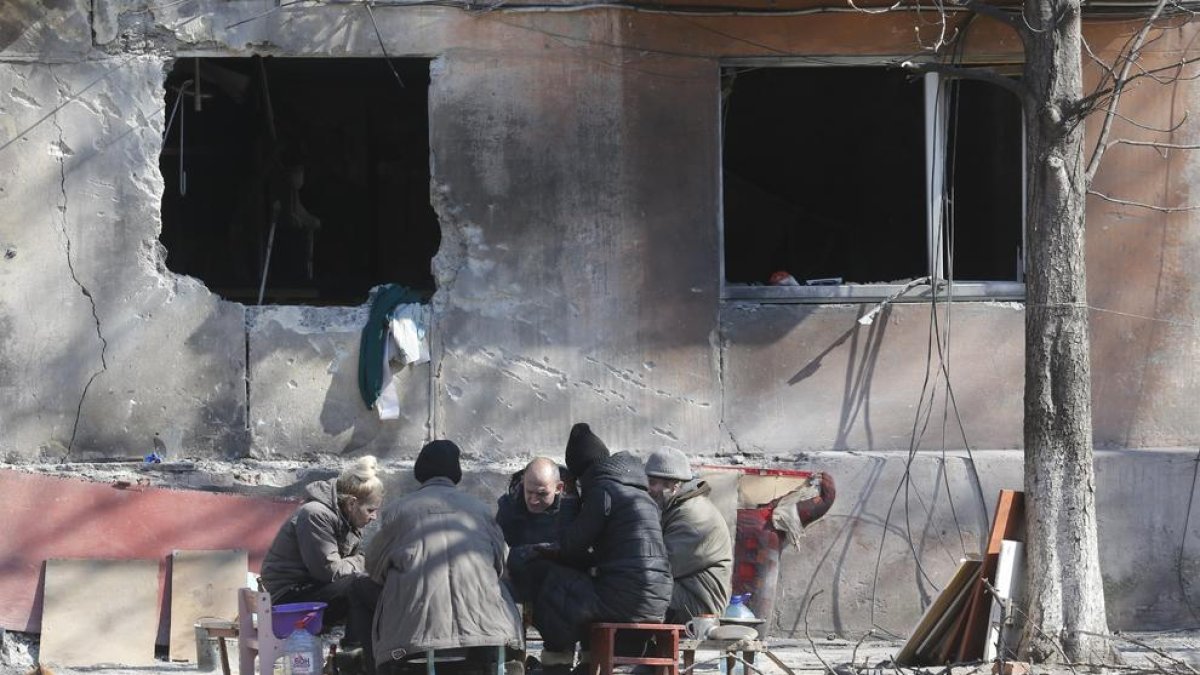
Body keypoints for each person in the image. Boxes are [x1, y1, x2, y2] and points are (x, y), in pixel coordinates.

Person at [366, 440, 523, 675]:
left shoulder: (397, 512)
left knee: (362, 591)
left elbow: (373, 567)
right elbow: (501, 562)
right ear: (456, 472)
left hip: (414, 636)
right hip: (488, 629)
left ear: (420, 470)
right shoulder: (480, 509)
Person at [525, 423, 672, 675]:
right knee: (582, 591)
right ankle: (587, 664)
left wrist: (570, 498)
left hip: (627, 598)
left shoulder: (603, 491)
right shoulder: (640, 494)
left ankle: (556, 665)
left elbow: (571, 546)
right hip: (658, 599)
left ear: (580, 473)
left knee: (557, 585)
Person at [260, 455, 383, 628]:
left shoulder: (348, 518)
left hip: (311, 589)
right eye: (370, 510)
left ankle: (360, 643)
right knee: (361, 586)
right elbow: (330, 572)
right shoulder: (315, 514)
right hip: (288, 599)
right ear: (351, 503)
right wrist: (366, 560)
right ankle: (355, 644)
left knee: (374, 583)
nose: (374, 517)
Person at [644, 447, 733, 623]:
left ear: (674, 486)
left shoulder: (694, 517)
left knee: (631, 588)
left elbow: (661, 567)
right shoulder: (677, 508)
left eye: (653, 483)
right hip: (684, 593)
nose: (648, 489)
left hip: (698, 605)